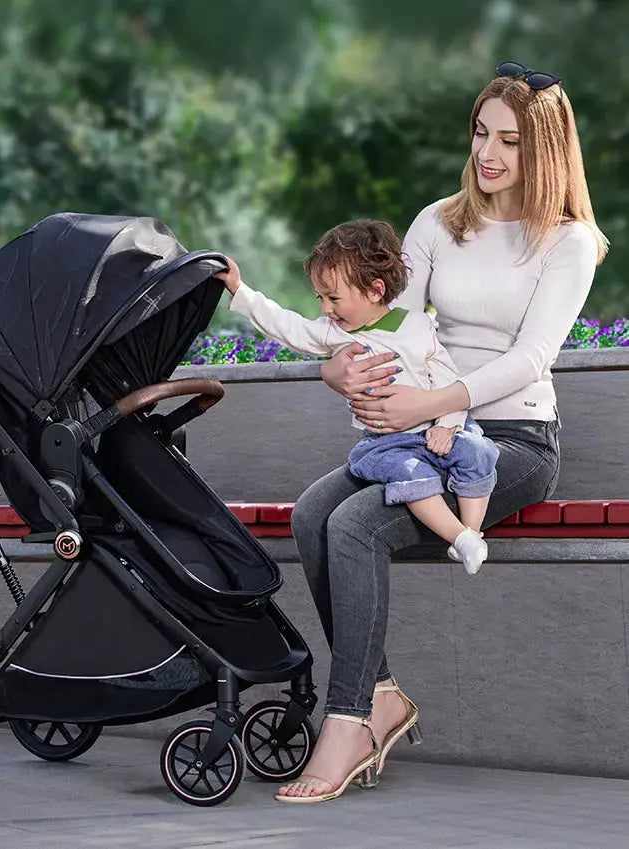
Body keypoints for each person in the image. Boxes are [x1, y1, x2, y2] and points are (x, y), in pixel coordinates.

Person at [267, 61, 609, 803]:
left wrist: (431, 407)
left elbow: (531, 358)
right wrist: (338, 374)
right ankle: (379, 691)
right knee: (311, 512)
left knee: (356, 522)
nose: (488, 153)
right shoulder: (437, 222)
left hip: (511, 442)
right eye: (482, 132)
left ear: (545, 150)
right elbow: (392, 324)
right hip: (421, 437)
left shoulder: (569, 241)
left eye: (510, 141)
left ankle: (350, 716)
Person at [215, 219, 499, 577]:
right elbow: (287, 326)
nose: (325, 309)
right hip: (389, 443)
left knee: (478, 451)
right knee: (409, 473)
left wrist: (449, 425)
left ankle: (473, 532)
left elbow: (447, 379)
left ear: (375, 290)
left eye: (333, 298)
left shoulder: (416, 326)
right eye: (320, 297)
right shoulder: (335, 334)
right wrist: (240, 290)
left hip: (437, 431)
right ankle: (458, 536)